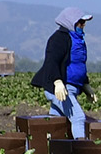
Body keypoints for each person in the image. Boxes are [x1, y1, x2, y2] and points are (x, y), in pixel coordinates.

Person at [31, 8, 91, 138]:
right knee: (78, 118)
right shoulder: (59, 39)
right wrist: (57, 81)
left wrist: (86, 86)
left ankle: (49, 150)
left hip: (72, 87)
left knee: (55, 122)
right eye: (80, 22)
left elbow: (78, 65)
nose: (83, 25)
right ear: (71, 22)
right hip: (60, 89)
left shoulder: (78, 40)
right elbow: (51, 62)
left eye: (84, 22)